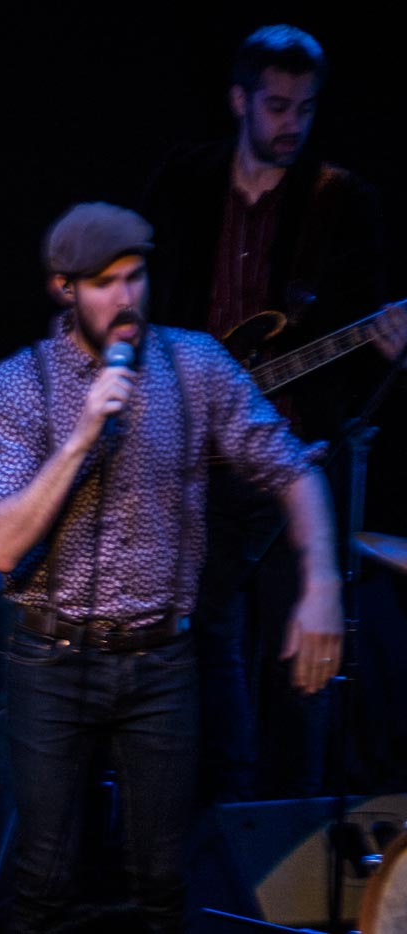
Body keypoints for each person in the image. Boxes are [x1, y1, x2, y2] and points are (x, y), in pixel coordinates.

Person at [0, 202, 342, 933]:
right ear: (65, 288)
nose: (126, 297)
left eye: (135, 277)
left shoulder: (194, 364)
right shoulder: (21, 383)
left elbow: (294, 469)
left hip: (161, 660)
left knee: (164, 882)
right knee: (44, 878)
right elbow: (2, 547)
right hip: (52, 656)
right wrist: (82, 436)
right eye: (104, 283)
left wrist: (321, 583)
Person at [143, 23, 407, 802]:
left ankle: (292, 824)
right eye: (278, 106)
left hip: (294, 454)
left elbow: (357, 336)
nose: (293, 123)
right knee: (204, 643)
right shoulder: (184, 183)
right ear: (240, 100)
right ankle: (217, 815)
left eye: (306, 108)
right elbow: (139, 300)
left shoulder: (342, 202)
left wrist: (386, 345)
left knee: (303, 658)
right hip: (190, 452)